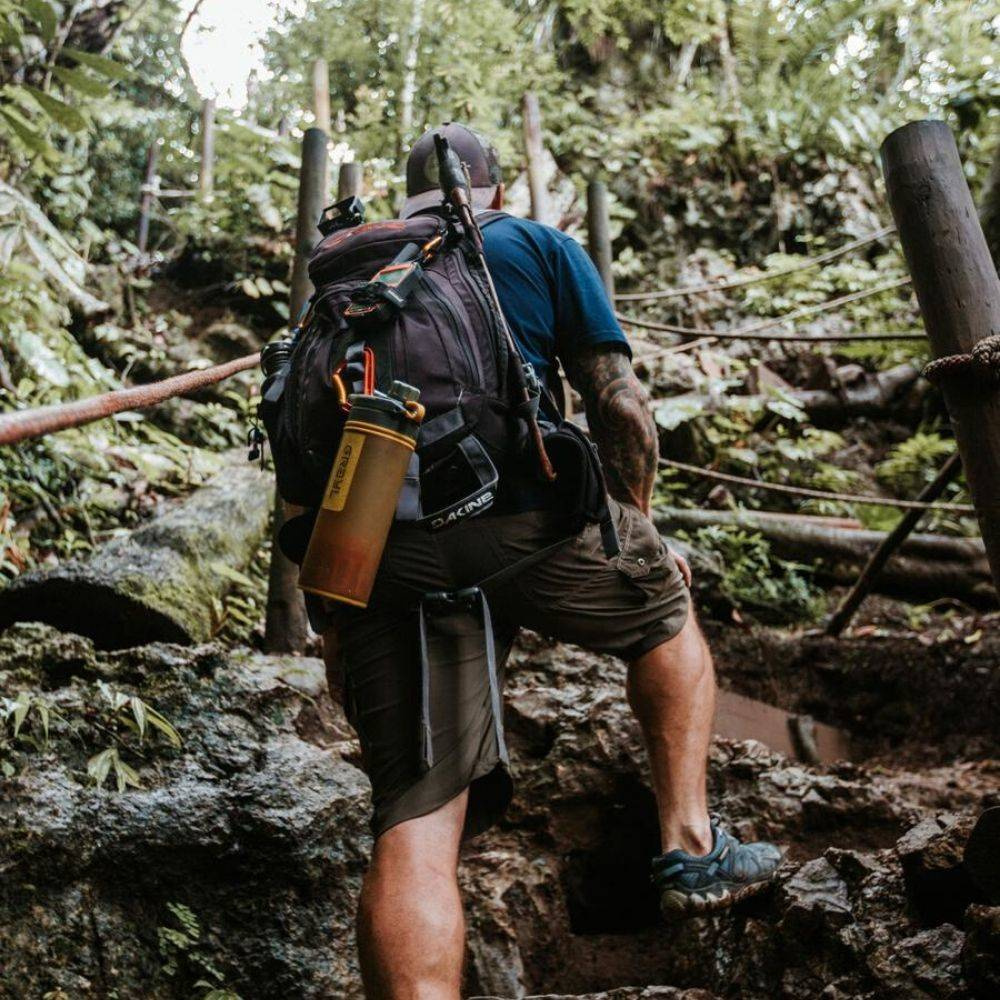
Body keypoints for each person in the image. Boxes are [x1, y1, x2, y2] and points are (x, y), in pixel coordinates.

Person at [316, 123, 782, 999]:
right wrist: (637, 530)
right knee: (665, 615)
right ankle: (690, 845)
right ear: (493, 190)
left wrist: (334, 615)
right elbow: (622, 407)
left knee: (416, 827)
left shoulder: (359, 274)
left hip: (380, 549)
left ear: (406, 198)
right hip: (524, 521)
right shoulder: (537, 245)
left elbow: (304, 453)